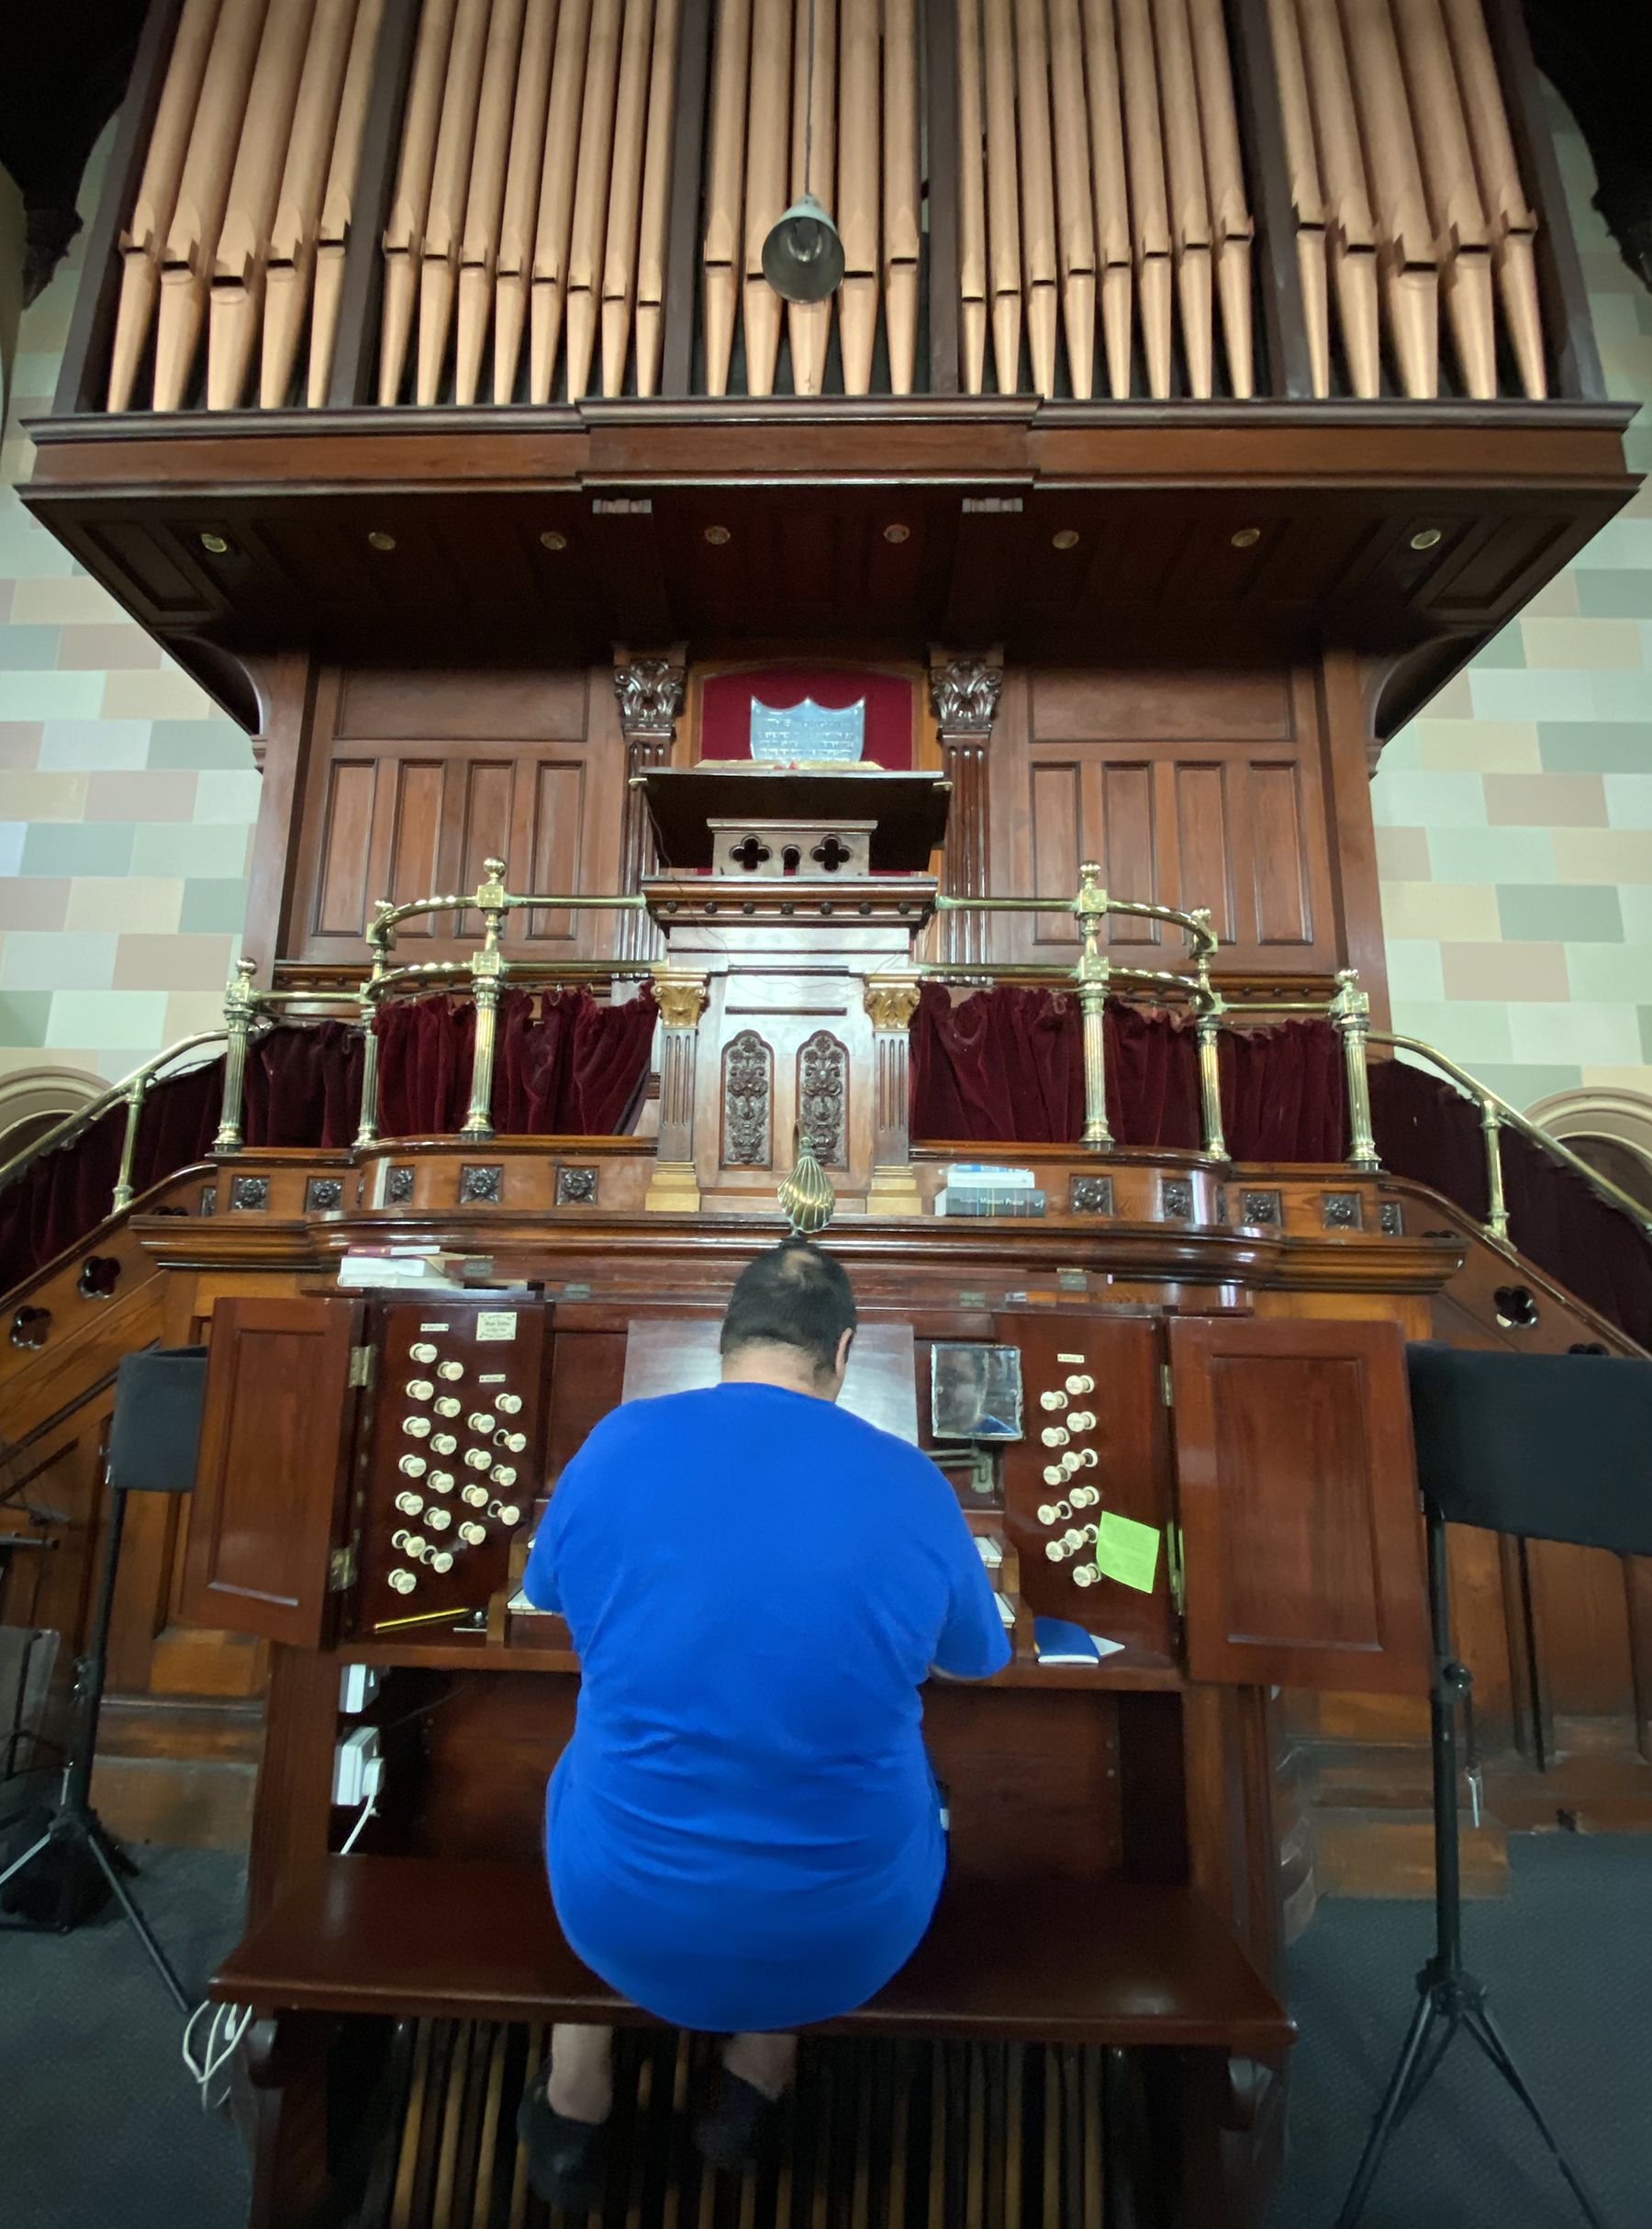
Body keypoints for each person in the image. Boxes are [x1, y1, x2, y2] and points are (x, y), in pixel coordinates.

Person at [517, 1238, 1011, 2206]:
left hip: (618, 1910)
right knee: (860, 1763)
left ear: (724, 1338)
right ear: (845, 1348)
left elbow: (548, 1591)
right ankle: (759, 2083)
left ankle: (576, 2101)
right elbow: (974, 1656)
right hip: (847, 1934)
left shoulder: (616, 1440)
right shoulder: (913, 1481)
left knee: (590, 1757)